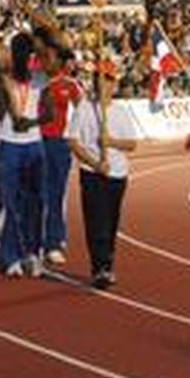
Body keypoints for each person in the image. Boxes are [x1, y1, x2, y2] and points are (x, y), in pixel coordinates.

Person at [0, 19, 48, 278]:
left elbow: (61, 58)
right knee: (11, 203)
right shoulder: (2, 78)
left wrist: (32, 121)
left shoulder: (40, 78)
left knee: (35, 202)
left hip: (33, 145)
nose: (24, 57)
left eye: (28, 53)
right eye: (19, 52)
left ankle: (32, 252)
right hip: (9, 145)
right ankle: (11, 255)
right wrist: (2, 82)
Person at [68, 56, 138, 290]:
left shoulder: (120, 112)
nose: (103, 84)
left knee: (111, 221)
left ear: (114, 83)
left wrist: (111, 142)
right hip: (92, 173)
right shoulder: (85, 108)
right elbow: (73, 141)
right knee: (95, 221)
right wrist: (95, 163)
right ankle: (100, 268)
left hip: (118, 174)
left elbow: (131, 144)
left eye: (107, 79)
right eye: (99, 79)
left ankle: (107, 263)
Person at [35, 17, 81, 267]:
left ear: (60, 60)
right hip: (36, 141)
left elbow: (83, 113)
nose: (45, 61)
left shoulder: (71, 85)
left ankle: (53, 241)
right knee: (36, 193)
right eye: (42, 57)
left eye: (50, 57)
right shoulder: (35, 81)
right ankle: (35, 239)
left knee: (56, 194)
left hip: (58, 145)